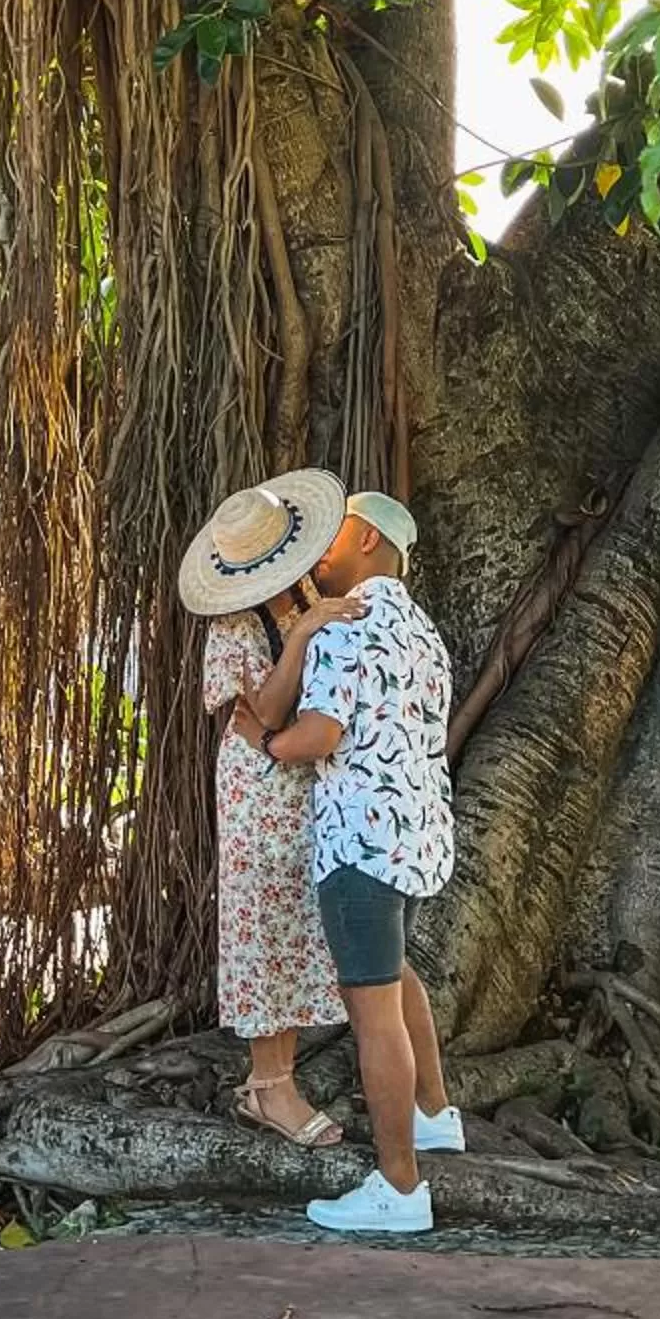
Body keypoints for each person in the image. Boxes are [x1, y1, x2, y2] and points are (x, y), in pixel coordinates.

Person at [243, 490, 461, 1235]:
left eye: (333, 535)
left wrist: (267, 746)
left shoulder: (347, 625)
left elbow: (318, 734)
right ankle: (435, 1116)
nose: (319, 551)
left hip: (360, 844)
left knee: (373, 1014)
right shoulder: (422, 631)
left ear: (366, 539)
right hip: (417, 838)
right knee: (400, 980)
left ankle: (399, 1188)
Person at [178, 474, 360, 1148]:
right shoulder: (234, 624)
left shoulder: (305, 597)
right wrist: (305, 631)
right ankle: (269, 1085)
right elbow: (266, 712)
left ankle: (277, 1079)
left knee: (294, 926)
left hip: (303, 779)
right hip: (258, 785)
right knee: (263, 926)